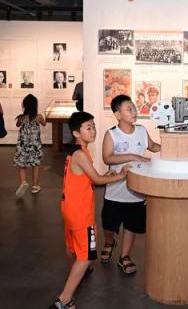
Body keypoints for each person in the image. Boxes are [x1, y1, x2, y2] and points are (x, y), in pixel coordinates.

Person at [53, 111, 130, 309]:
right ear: (76, 133)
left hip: (70, 209)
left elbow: (87, 177)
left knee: (73, 247)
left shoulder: (76, 152)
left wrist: (106, 175)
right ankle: (64, 300)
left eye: (93, 126)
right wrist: (121, 175)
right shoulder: (80, 154)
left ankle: (78, 271)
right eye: (88, 128)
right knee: (86, 255)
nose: (93, 131)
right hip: (81, 213)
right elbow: (96, 180)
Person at [100, 94, 160, 274]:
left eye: (134, 108)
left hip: (136, 191)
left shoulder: (141, 130)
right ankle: (109, 242)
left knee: (131, 225)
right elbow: (107, 157)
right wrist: (133, 156)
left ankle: (124, 256)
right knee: (109, 224)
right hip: (115, 191)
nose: (134, 111)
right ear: (117, 114)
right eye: (129, 109)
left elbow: (153, 146)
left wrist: (172, 144)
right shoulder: (111, 134)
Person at [13, 94, 46, 197]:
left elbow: (17, 125)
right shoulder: (39, 117)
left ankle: (23, 183)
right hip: (35, 145)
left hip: (22, 145)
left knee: (22, 165)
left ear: (24, 105)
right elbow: (44, 123)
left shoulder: (21, 118)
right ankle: (35, 186)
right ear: (35, 105)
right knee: (35, 165)